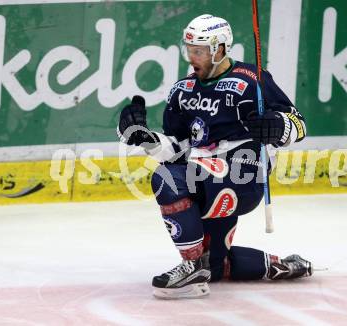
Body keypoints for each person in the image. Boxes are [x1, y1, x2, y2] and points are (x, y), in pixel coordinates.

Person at [117, 14, 312, 299]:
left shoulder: (252, 80)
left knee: (167, 180)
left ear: (219, 49)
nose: (192, 57)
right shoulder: (183, 91)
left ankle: (191, 267)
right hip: (204, 175)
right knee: (217, 265)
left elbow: (299, 123)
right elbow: (177, 149)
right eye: (190, 50)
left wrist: (278, 126)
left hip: (243, 176)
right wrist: (144, 138)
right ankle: (277, 265)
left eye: (200, 51)